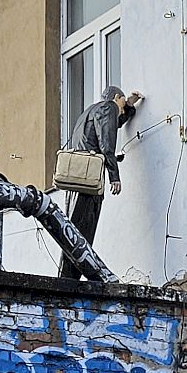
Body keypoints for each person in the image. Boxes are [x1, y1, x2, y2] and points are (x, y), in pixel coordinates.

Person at [62, 87, 141, 277]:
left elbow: (116, 123)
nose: (121, 109)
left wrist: (129, 105)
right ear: (116, 98)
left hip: (78, 172)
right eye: (122, 102)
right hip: (90, 173)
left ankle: (69, 274)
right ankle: (72, 275)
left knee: (74, 225)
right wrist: (114, 176)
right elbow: (107, 142)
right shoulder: (108, 108)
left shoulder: (91, 111)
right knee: (86, 223)